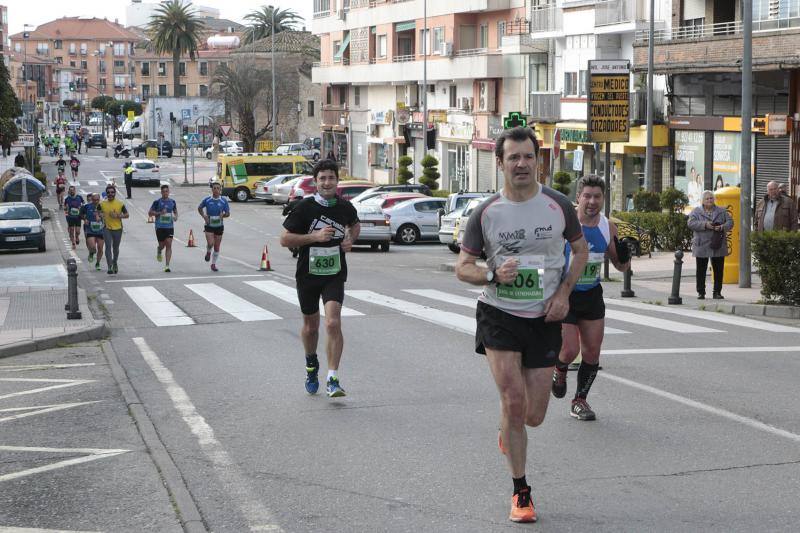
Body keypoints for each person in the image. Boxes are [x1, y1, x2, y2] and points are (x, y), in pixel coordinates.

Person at [454, 127, 588, 523]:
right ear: (500, 164)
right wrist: (493, 275)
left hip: (545, 317)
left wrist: (564, 293)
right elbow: (463, 267)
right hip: (500, 316)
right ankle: (521, 492)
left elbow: (580, 251)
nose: (522, 163)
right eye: (513, 157)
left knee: (534, 415)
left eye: (528, 156)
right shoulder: (486, 213)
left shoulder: (559, 205)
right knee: (513, 403)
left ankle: (509, 431)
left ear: (537, 161)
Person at [551, 175, 631, 421]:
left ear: (603, 199)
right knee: (568, 350)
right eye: (587, 195)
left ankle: (579, 401)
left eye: (597, 196)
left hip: (591, 294)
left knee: (592, 353)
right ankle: (560, 369)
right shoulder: (564, 223)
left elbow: (620, 266)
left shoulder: (608, 227)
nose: (592, 201)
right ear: (578, 198)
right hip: (566, 292)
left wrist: (626, 254)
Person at [280, 159, 360, 398]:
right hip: (307, 274)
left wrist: (350, 240)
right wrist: (313, 237)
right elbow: (285, 239)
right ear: (315, 182)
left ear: (337, 181)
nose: (327, 182)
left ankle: (333, 378)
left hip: (334, 273)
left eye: (331, 178)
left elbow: (355, 225)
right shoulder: (305, 207)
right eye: (322, 178)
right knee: (310, 326)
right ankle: (311, 364)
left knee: (333, 323)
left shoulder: (345, 207)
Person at [687, 190, 734, 299]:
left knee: (718, 270)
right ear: (702, 201)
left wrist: (722, 227)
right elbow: (690, 223)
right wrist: (705, 225)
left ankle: (717, 292)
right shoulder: (696, 211)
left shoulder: (722, 211)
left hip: (717, 244)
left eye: (711, 198)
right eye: (707, 198)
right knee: (701, 270)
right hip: (701, 244)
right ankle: (701, 292)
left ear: (714, 200)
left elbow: (730, 222)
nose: (709, 200)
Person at [197, 182, 230, 272]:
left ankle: (213, 264)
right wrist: (204, 216)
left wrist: (223, 215)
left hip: (219, 226)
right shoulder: (207, 200)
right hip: (209, 225)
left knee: (217, 246)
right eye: (214, 188)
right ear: (212, 190)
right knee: (211, 243)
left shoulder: (223, 201)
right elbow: (199, 208)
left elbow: (228, 213)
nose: (216, 190)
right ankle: (208, 252)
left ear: (220, 190)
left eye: (218, 188)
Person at [98, 185, 129, 274]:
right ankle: (110, 266)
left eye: (112, 192)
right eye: (108, 192)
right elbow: (98, 212)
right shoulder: (102, 204)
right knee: (108, 247)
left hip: (118, 228)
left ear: (115, 193)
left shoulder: (120, 204)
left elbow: (127, 215)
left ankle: (115, 262)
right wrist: (100, 215)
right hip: (107, 228)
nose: (110, 194)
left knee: (115, 248)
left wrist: (118, 216)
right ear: (106, 193)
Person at [149, 184, 178, 273]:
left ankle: (167, 266)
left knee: (169, 244)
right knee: (162, 245)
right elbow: (150, 213)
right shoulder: (157, 202)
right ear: (161, 192)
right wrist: (160, 213)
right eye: (163, 191)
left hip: (169, 227)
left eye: (167, 191)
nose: (165, 193)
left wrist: (175, 217)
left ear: (169, 192)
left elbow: (175, 212)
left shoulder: (172, 202)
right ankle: (159, 250)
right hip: (160, 227)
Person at [80, 193, 105, 271]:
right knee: (93, 247)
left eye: (97, 200)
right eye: (94, 200)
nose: (96, 201)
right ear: (92, 199)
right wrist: (85, 219)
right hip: (90, 229)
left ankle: (98, 263)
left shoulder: (103, 206)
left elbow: (107, 215)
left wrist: (101, 216)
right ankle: (91, 253)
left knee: (100, 248)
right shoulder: (86, 206)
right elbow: (81, 214)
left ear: (99, 199)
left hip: (101, 230)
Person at [63, 185, 85, 250]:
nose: (72, 191)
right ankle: (73, 243)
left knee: (78, 231)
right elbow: (65, 207)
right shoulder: (67, 199)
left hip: (78, 217)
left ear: (75, 190)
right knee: (72, 230)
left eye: (73, 190)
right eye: (70, 190)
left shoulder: (79, 197)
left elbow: (83, 203)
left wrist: (81, 208)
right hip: (71, 217)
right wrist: (66, 208)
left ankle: (77, 237)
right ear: (69, 191)